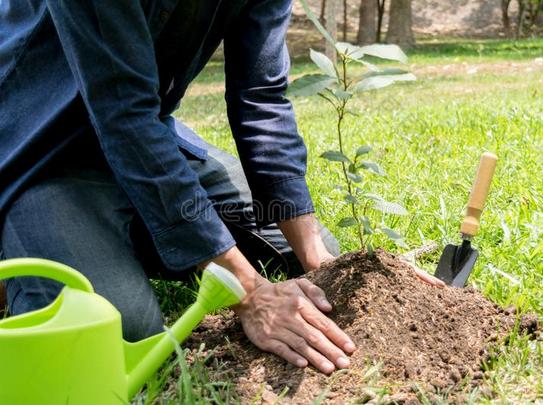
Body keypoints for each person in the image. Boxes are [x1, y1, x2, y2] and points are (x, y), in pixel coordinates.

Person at [0, 0, 442, 375]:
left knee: (311, 251)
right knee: (119, 335)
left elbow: (260, 96)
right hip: (40, 151)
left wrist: (317, 258)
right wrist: (248, 294)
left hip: (150, 140)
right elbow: (123, 114)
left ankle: (130, 240)